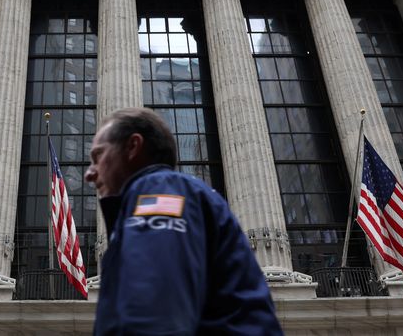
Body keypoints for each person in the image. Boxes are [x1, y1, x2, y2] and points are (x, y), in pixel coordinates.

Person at [85, 108, 283, 335]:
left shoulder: (158, 191)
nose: (90, 173)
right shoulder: (170, 194)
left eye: (98, 157)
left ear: (133, 146)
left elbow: (154, 313)